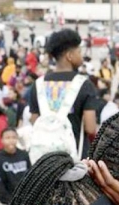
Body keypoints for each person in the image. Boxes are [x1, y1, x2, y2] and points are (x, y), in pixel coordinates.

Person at [29, 29, 98, 159]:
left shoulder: (38, 84)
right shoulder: (85, 84)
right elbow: (90, 127)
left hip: (45, 161)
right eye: (79, 52)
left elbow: (34, 120)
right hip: (74, 159)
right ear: (69, 56)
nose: (81, 56)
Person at [0, 128, 31, 205]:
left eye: (14, 137)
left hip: (26, 199)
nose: (11, 140)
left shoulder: (24, 155)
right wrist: (9, 201)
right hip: (9, 202)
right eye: (7, 138)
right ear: (2, 140)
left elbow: (30, 175)